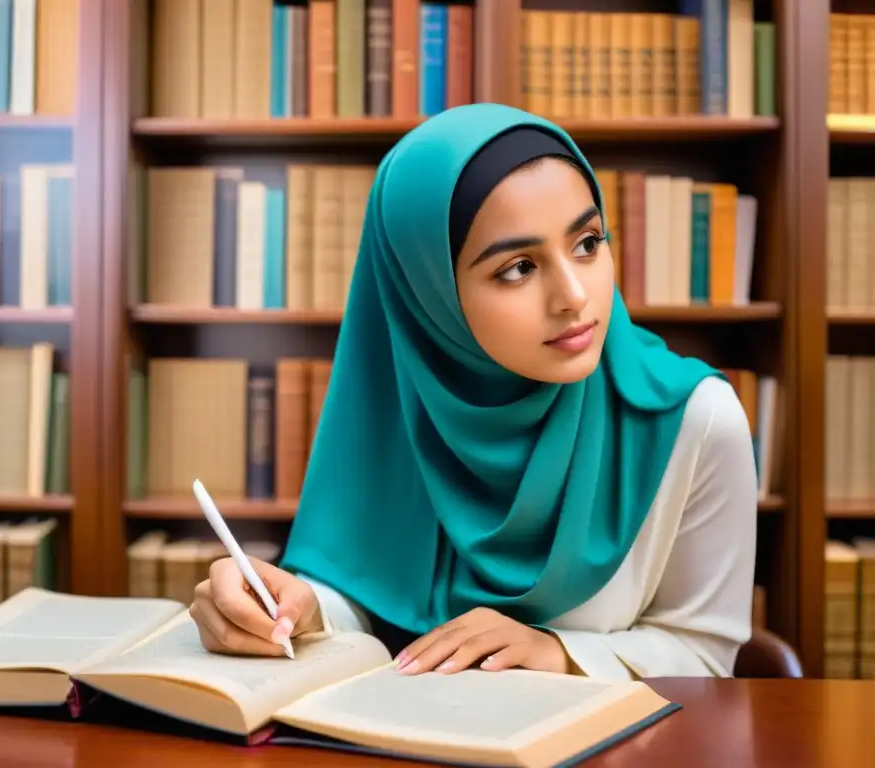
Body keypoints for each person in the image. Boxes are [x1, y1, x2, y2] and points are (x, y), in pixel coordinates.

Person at [189, 103, 758, 680]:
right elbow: (360, 598)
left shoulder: (697, 421)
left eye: (587, 243)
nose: (575, 295)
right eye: (517, 267)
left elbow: (705, 656)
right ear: (428, 293)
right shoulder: (402, 408)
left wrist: (557, 653)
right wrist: (294, 611)